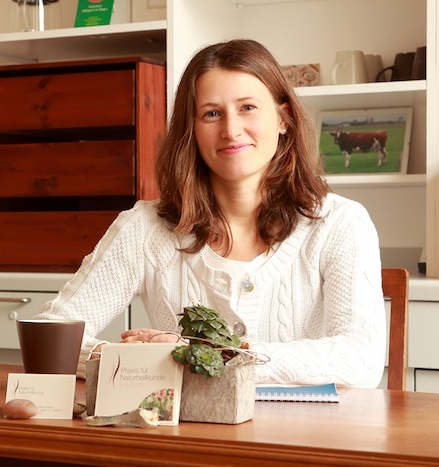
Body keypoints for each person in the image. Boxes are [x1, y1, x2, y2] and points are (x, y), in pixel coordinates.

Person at [34, 39, 386, 388]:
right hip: (186, 426)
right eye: (211, 114)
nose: (231, 130)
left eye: (247, 107)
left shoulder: (341, 223)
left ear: (284, 118)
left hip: (307, 426)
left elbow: (361, 360)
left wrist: (213, 356)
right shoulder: (144, 227)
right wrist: (132, 359)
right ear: (191, 130)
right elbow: (49, 335)